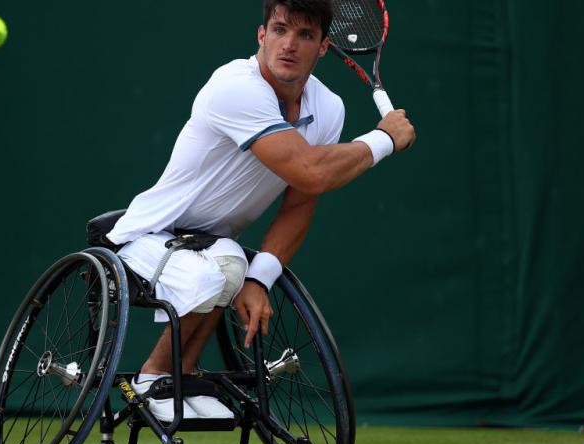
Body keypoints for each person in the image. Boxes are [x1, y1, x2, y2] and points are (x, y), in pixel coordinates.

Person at [105, 0, 415, 421]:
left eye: (305, 35)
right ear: (262, 35)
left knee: (233, 265)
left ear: (324, 47)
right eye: (281, 30)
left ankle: (182, 375)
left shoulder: (328, 108)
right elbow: (310, 173)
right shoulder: (235, 87)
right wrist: (384, 140)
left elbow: (301, 202)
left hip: (211, 243)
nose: (289, 45)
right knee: (210, 274)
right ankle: (153, 377)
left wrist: (260, 278)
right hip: (149, 235)